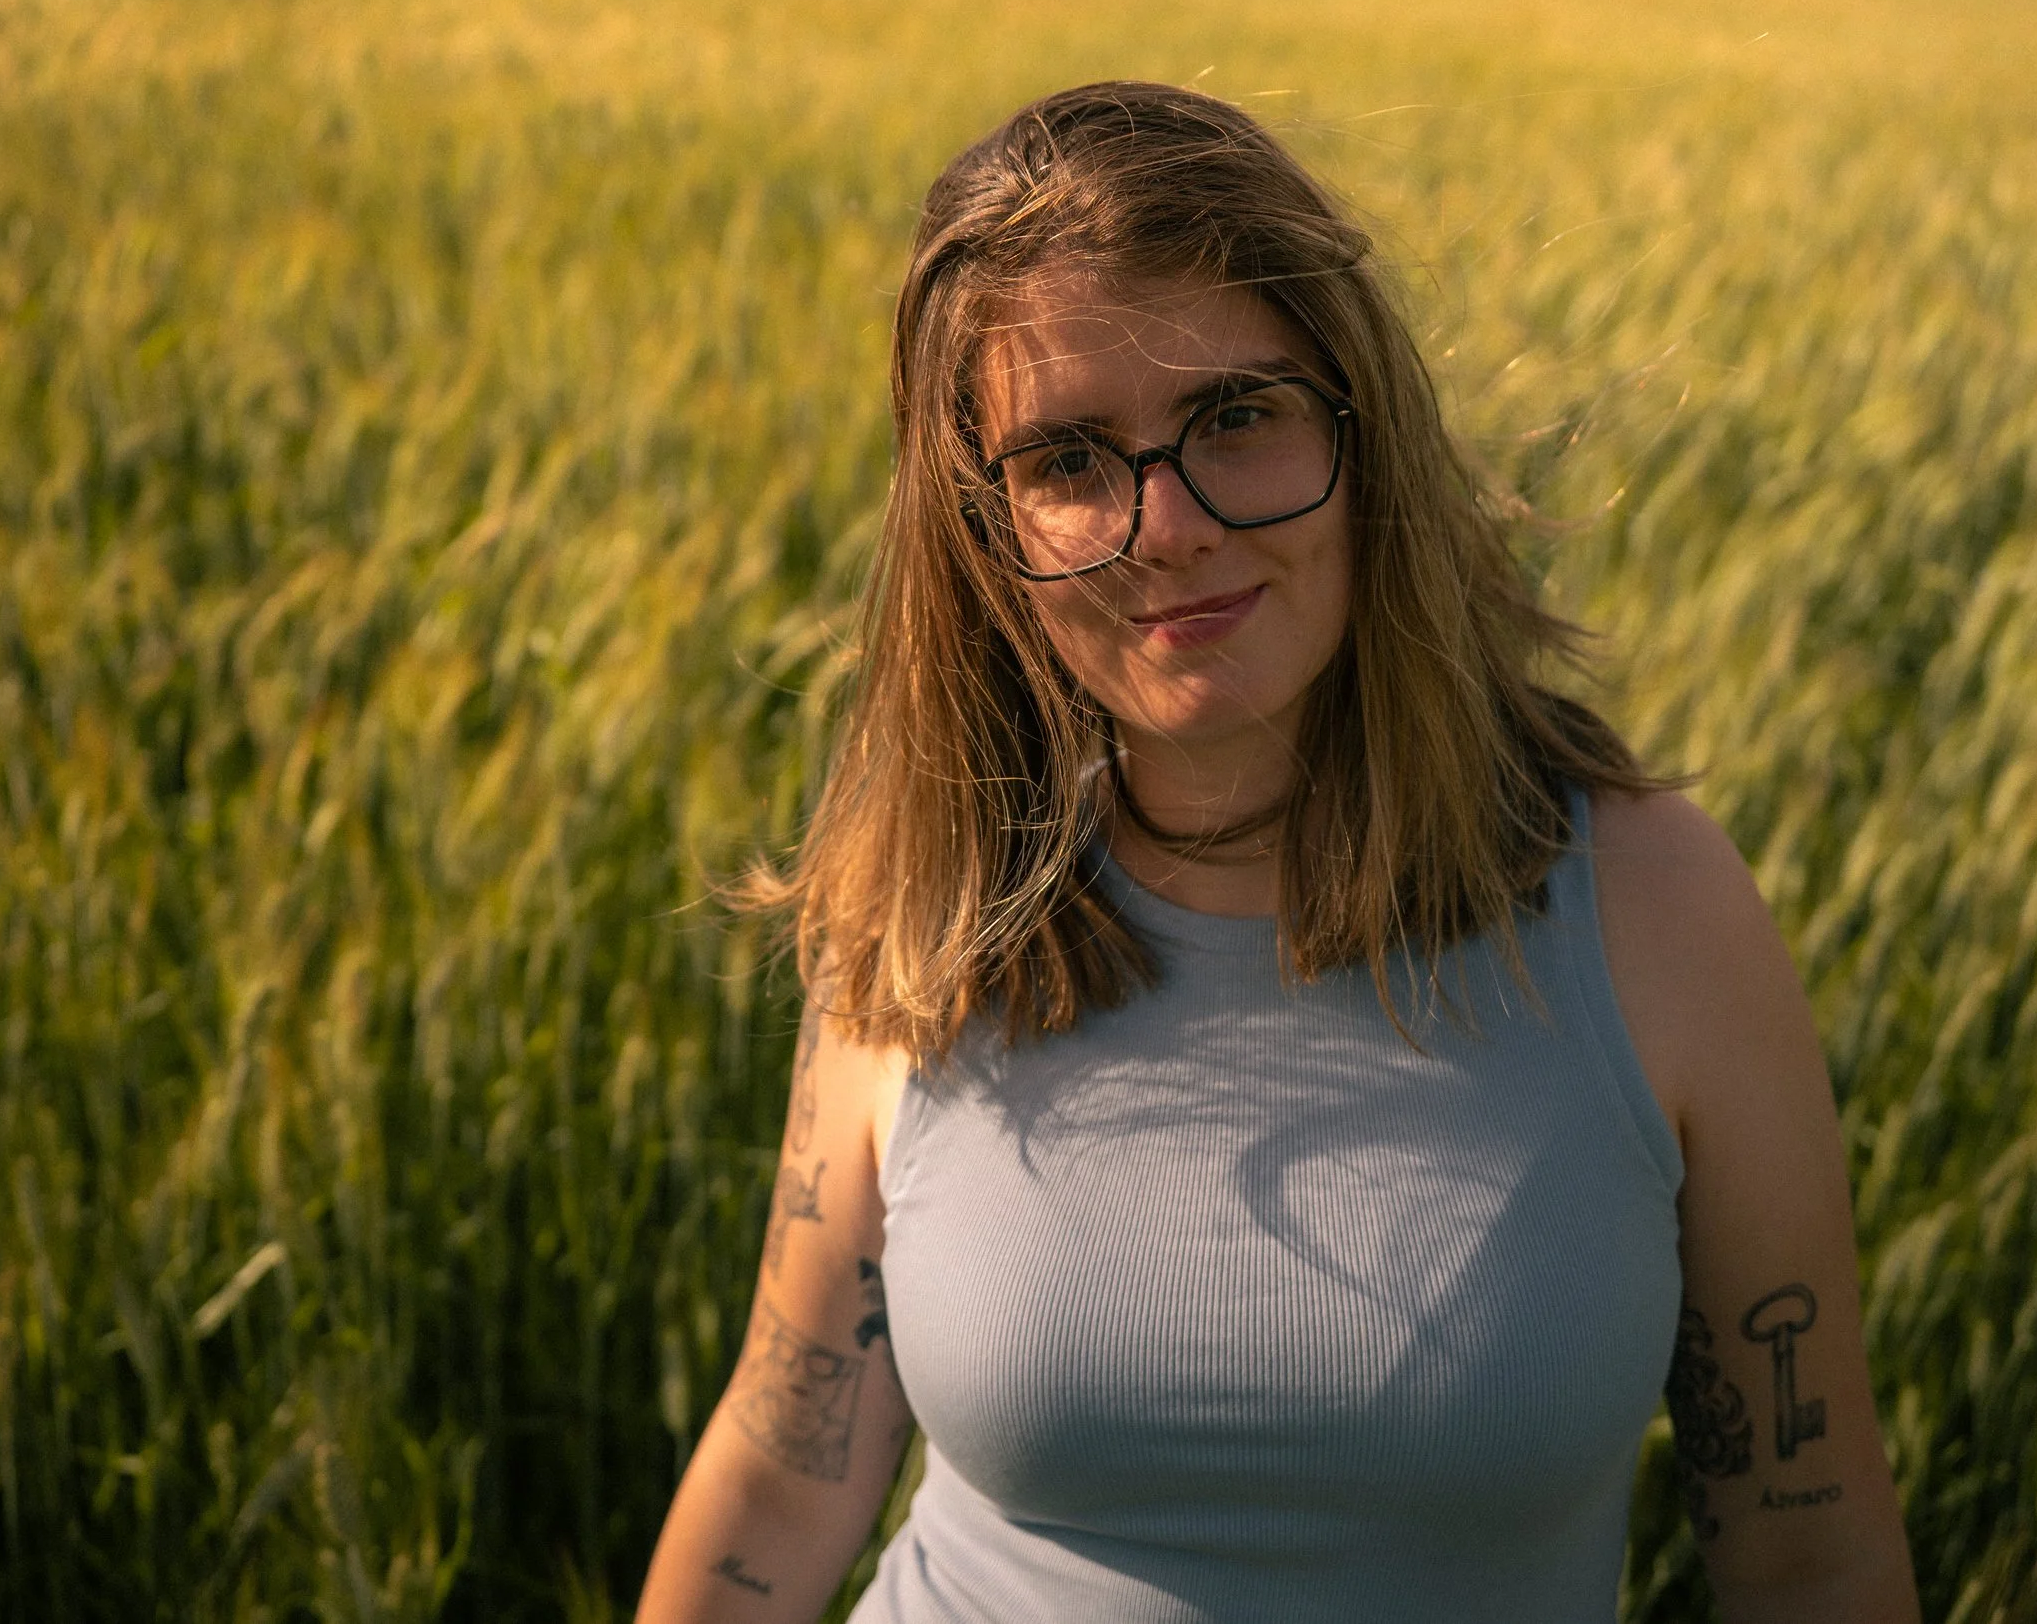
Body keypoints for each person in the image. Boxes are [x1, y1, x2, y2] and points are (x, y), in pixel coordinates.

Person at [635, 81, 1922, 1624]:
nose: (1165, 526)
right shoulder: (931, 904)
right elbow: (786, 1466)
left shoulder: (1648, 908)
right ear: (983, 530)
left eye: (1235, 418)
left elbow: (1802, 1543)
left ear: (1359, 428)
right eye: (1067, 460)